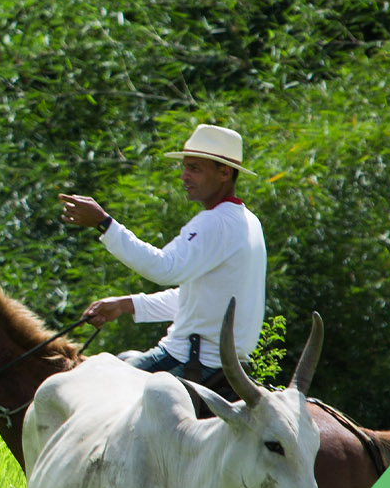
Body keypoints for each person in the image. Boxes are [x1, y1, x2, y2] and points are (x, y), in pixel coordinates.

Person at [57, 124, 266, 395]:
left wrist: (105, 224)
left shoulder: (215, 222)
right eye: (185, 167)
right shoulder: (247, 221)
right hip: (223, 366)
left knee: (89, 391)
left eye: (195, 168)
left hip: (191, 361)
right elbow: (199, 300)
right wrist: (127, 304)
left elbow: (164, 268)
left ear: (224, 173)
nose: (184, 176)